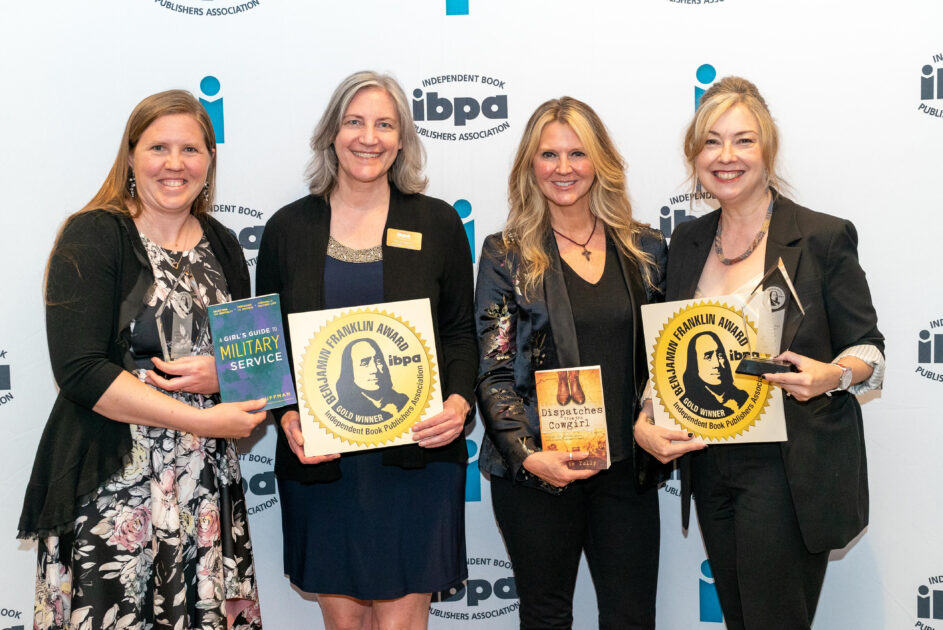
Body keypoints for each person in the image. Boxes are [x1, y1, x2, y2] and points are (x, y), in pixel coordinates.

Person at [634, 76, 884, 629]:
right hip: (709, 463)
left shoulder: (821, 237)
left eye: (743, 141)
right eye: (712, 142)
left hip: (788, 470)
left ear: (767, 150)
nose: (726, 157)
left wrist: (835, 374)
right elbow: (669, 353)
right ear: (694, 155)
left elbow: (872, 350)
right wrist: (646, 419)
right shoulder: (687, 244)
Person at [18, 90, 267, 629]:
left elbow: (254, 368)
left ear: (209, 161)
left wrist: (227, 376)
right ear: (131, 156)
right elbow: (82, 372)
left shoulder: (224, 245)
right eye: (158, 147)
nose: (175, 164)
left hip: (205, 489)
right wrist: (202, 417)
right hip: (115, 491)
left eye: (191, 150)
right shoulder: (94, 234)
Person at [255, 70, 476, 630]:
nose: (368, 137)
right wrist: (284, 418)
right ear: (332, 132)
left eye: (384, 124)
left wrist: (457, 402)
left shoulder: (438, 222)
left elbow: (457, 332)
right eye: (354, 122)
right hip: (322, 463)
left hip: (416, 461)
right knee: (344, 622)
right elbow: (266, 347)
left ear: (403, 139)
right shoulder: (286, 230)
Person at [475, 96, 678, 630]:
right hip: (540, 470)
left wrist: (656, 418)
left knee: (632, 618)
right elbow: (493, 369)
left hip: (625, 469)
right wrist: (526, 455)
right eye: (549, 155)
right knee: (546, 618)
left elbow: (667, 360)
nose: (563, 169)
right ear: (530, 166)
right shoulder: (506, 253)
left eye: (577, 154)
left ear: (600, 162)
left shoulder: (647, 249)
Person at [335, 338, 409, 423]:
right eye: (365, 363)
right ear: (349, 369)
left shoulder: (404, 401)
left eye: (378, 361)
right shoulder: (340, 413)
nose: (375, 370)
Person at [681, 330, 750, 417]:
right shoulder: (687, 403)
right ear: (694, 363)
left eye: (720, 356)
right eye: (708, 356)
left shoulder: (743, 397)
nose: (717, 364)